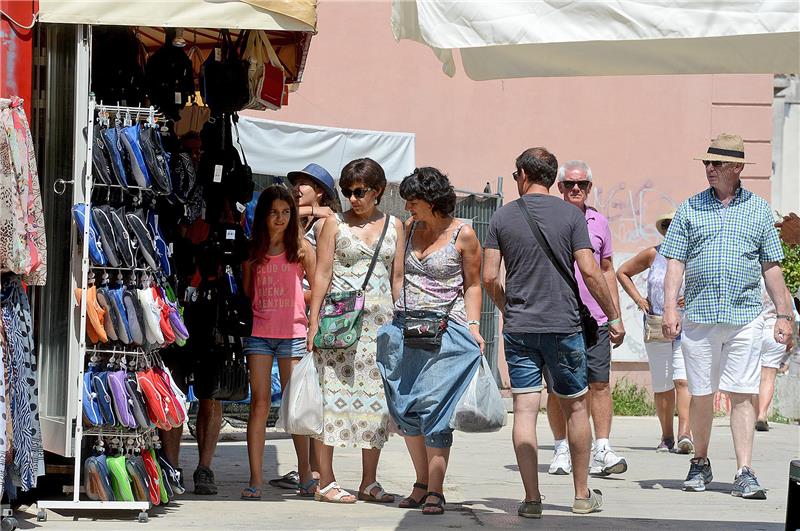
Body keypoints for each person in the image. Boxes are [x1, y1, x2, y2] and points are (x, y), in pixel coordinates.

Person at [483, 147, 625, 518]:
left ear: (523, 175)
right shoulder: (571, 216)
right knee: (577, 406)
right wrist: (613, 316)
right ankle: (581, 495)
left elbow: (487, 277)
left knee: (525, 410)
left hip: (520, 327)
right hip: (564, 326)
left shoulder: (501, 217)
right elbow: (591, 271)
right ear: (551, 178)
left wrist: (507, 307)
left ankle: (532, 499)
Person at [661, 133, 794, 500]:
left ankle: (744, 471)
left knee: (743, 394)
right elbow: (675, 262)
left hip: (746, 317)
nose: (709, 169)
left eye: (716, 163)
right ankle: (700, 462)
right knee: (701, 394)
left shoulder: (759, 210)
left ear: (736, 168)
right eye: (707, 163)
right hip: (700, 317)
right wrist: (670, 307)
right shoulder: (690, 208)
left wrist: (784, 314)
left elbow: (771, 266)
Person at [376, 167, 484, 516]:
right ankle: (420, 483)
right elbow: (398, 275)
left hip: (446, 332)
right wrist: (398, 307)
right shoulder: (408, 229)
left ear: (434, 201)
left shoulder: (463, 235)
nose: (408, 207)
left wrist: (473, 325)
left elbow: (472, 284)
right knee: (405, 407)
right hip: (405, 328)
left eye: (413, 200)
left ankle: (436, 489)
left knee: (436, 409)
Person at [307, 158, 405, 504]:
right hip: (339, 324)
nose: (353, 198)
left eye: (360, 191)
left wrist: (401, 324)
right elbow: (321, 273)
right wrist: (314, 320)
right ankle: (327, 481)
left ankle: (369, 481)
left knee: (377, 404)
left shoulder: (396, 226)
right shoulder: (333, 224)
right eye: (347, 192)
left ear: (378, 191)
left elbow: (397, 278)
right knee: (330, 399)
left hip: (380, 328)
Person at [546, 160, 627, 477]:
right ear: (560, 187)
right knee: (557, 388)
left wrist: (615, 316)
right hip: (558, 318)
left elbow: (607, 271)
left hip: (594, 319)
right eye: (569, 183)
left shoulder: (599, 222)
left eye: (582, 184)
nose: (576, 189)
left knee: (599, 384)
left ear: (590, 188)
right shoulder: (551, 220)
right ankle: (561, 449)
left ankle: (602, 449)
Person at [266, 164, 341, 491]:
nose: (297, 189)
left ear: (321, 191)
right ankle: (307, 469)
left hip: (316, 319)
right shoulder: (301, 218)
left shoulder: (325, 224)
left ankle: (316, 471)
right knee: (302, 398)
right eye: (295, 184)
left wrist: (299, 291)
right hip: (296, 317)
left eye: (306, 185)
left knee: (311, 397)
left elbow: (323, 277)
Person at [239, 185, 317, 500]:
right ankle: (255, 479)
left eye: (286, 212)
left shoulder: (301, 248)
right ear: (264, 215)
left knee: (295, 408)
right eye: (274, 212)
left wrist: (312, 325)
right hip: (259, 333)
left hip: (294, 335)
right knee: (259, 405)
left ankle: (306, 476)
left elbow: (318, 287)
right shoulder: (252, 250)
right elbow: (247, 292)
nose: (280, 218)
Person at [616, 212, 693, 453]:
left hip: (687, 326)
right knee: (662, 384)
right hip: (657, 324)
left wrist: (691, 297)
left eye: (676, 225)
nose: (672, 229)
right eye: (668, 225)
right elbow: (622, 272)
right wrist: (639, 299)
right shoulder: (653, 254)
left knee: (683, 379)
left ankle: (685, 434)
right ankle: (666, 435)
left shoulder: (695, 255)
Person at [752, 285, 793, 432]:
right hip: (775, 329)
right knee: (768, 377)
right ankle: (762, 415)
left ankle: (752, 414)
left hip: (752, 330)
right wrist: (790, 332)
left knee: (751, 376)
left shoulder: (752, 276)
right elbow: (789, 308)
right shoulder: (776, 280)